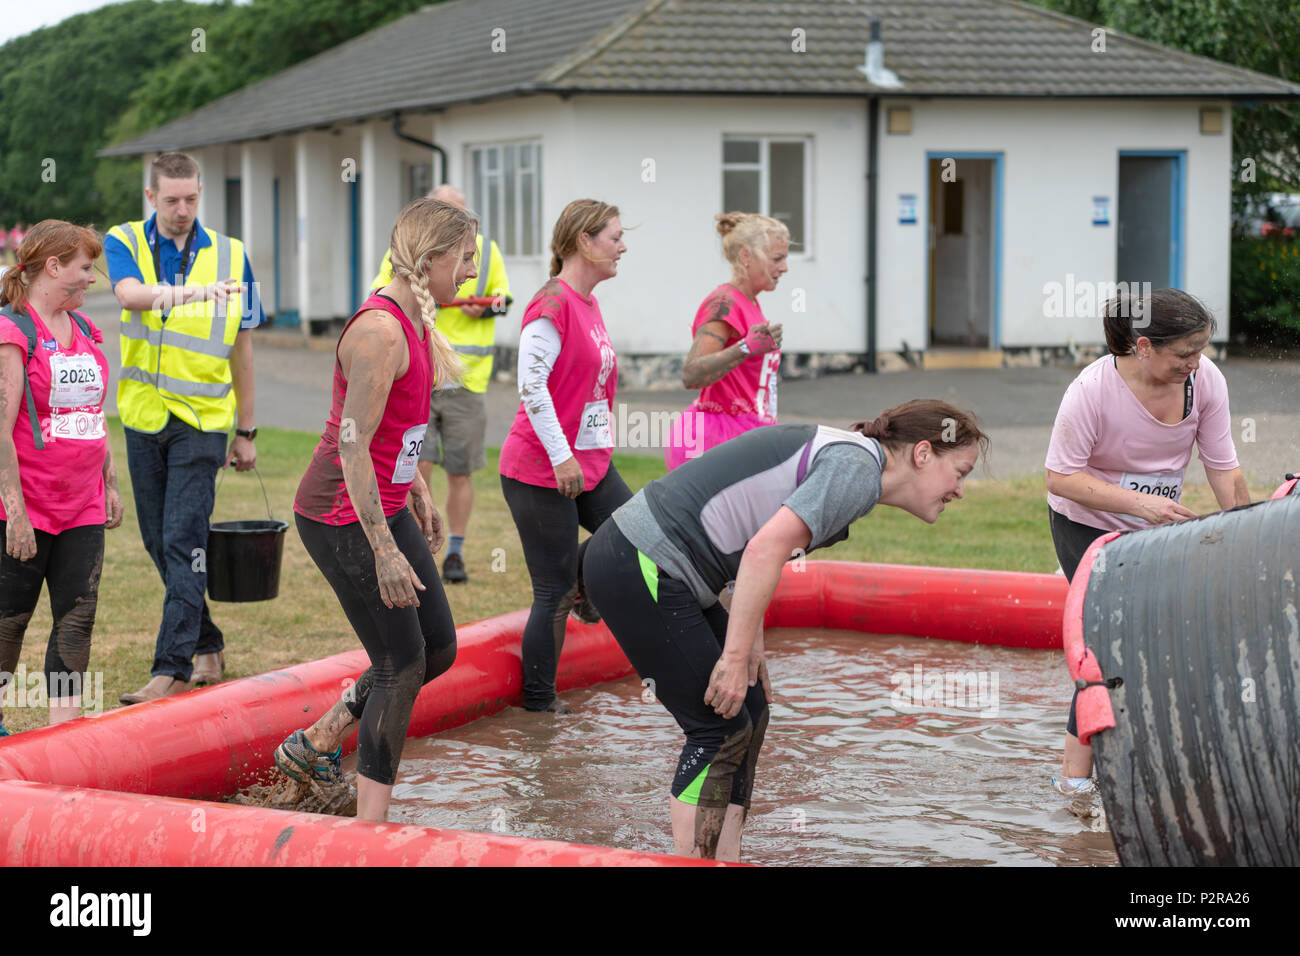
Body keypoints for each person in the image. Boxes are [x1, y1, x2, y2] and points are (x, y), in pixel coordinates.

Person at [583, 400, 987, 860]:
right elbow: (762, 550)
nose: (959, 490)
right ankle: (689, 860)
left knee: (749, 708)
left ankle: (725, 858)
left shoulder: (855, 465)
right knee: (718, 727)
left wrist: (748, 645)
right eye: (961, 471)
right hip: (639, 560)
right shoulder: (855, 470)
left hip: (656, 564)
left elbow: (752, 536)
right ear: (922, 454)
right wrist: (733, 658)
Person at [279, 197, 475, 822]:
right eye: (466, 258)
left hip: (383, 504)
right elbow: (351, 442)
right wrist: (385, 549)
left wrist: (416, 485)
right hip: (341, 515)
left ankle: (319, 738)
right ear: (434, 257)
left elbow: (395, 425)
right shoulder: (380, 330)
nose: (471, 271)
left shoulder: (418, 319)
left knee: (438, 648)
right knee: (401, 661)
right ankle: (371, 827)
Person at [1045, 288, 1250, 794]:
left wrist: (1252, 534)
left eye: (1202, 349)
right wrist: (1141, 504)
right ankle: (1075, 785)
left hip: (1157, 527)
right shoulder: (1090, 392)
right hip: (1086, 523)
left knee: (1168, 638)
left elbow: (1224, 469)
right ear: (1142, 347)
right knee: (1108, 644)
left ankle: (1154, 762)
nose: (1196, 362)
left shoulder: (1206, 382)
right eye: (1185, 353)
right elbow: (1059, 477)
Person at [104, 151, 265, 704]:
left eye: (191, 198)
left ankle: (169, 667)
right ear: (151, 197)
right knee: (156, 540)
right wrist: (191, 292)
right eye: (171, 199)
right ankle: (209, 640)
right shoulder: (123, 240)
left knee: (183, 539)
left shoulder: (232, 254)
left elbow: (242, 346)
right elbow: (128, 296)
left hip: (202, 421)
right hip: (143, 416)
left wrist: (248, 430)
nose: (182, 209)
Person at [498, 199, 631, 712]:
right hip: (540, 469)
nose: (623, 246)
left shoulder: (589, 302)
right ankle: (538, 705)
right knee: (550, 592)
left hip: (589, 463)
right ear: (583, 242)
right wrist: (561, 457)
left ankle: (584, 577)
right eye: (614, 237)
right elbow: (531, 386)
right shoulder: (551, 304)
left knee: (637, 533)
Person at [0, 221, 124, 735]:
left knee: (77, 619)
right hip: (25, 507)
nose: (92, 278)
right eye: (85, 268)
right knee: (9, 622)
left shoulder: (87, 331)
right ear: (53, 267)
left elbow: (94, 416)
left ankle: (62, 738)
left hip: (82, 505)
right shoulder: (14, 331)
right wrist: (17, 514)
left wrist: (111, 481)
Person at [370, 185, 510, 584]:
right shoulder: (404, 255)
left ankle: (455, 551)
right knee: (418, 463)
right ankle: (419, 545)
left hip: (467, 377)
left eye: (462, 216)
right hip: (421, 374)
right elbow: (384, 293)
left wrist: (481, 309)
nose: (470, 268)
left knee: (460, 470)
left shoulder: (487, 249)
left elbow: (504, 299)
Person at [663, 212, 789, 470]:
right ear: (746, 256)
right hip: (716, 441)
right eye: (777, 259)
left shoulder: (749, 301)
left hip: (745, 435)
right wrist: (745, 348)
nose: (785, 267)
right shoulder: (724, 303)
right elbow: (691, 374)